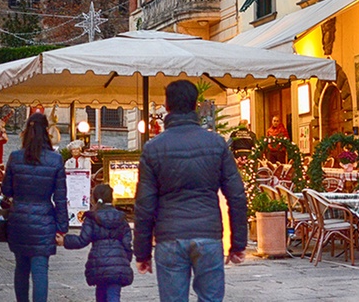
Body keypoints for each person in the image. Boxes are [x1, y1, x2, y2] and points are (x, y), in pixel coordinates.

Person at [133, 80, 248, 302]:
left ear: (167, 107)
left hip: (169, 236)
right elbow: (236, 196)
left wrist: (142, 252)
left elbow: (144, 206)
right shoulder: (216, 144)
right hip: (208, 234)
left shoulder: (153, 149)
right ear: (196, 105)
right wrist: (238, 243)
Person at [1, 112, 68, 302]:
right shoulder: (55, 160)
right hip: (44, 220)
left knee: (21, 268)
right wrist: (62, 227)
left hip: (19, 219)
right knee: (40, 271)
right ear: (46, 131)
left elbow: (7, 190)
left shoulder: (15, 158)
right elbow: (61, 198)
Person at [59, 184, 133, 302]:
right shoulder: (121, 219)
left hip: (99, 263)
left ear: (94, 199)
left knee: (101, 296)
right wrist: (125, 260)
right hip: (118, 264)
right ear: (112, 198)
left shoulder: (92, 218)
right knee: (114, 296)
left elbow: (82, 240)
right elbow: (127, 244)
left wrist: (65, 241)